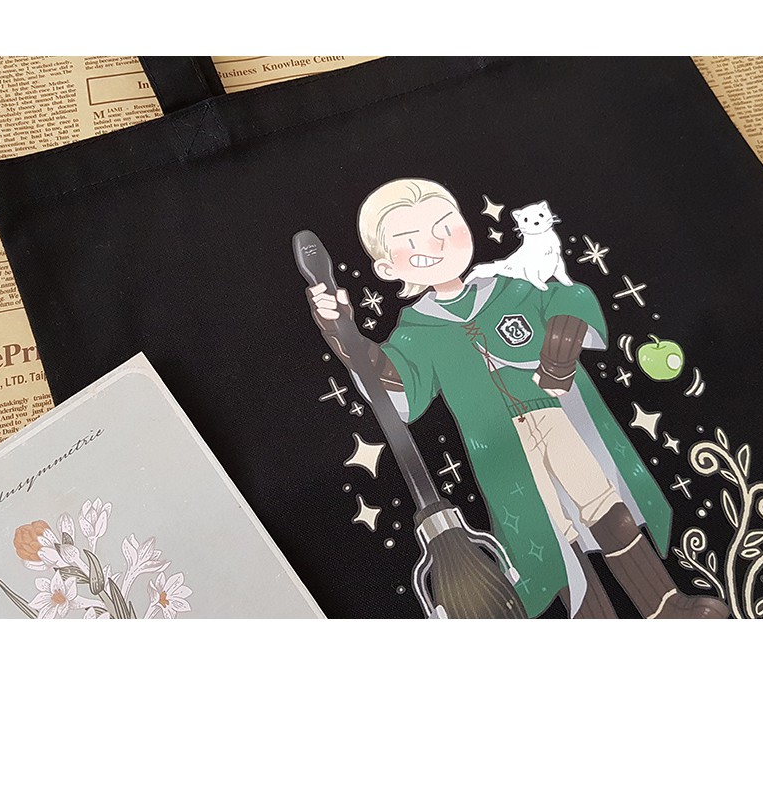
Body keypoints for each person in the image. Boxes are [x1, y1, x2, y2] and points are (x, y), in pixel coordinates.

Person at [307, 178, 728, 619]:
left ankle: (664, 608)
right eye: (410, 241)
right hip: (502, 449)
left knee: (606, 505)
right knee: (550, 538)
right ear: (387, 268)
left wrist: (566, 326)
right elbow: (394, 382)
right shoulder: (417, 332)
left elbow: (568, 296)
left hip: (555, 416)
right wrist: (344, 334)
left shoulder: (512, 288)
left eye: (444, 225)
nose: (434, 243)